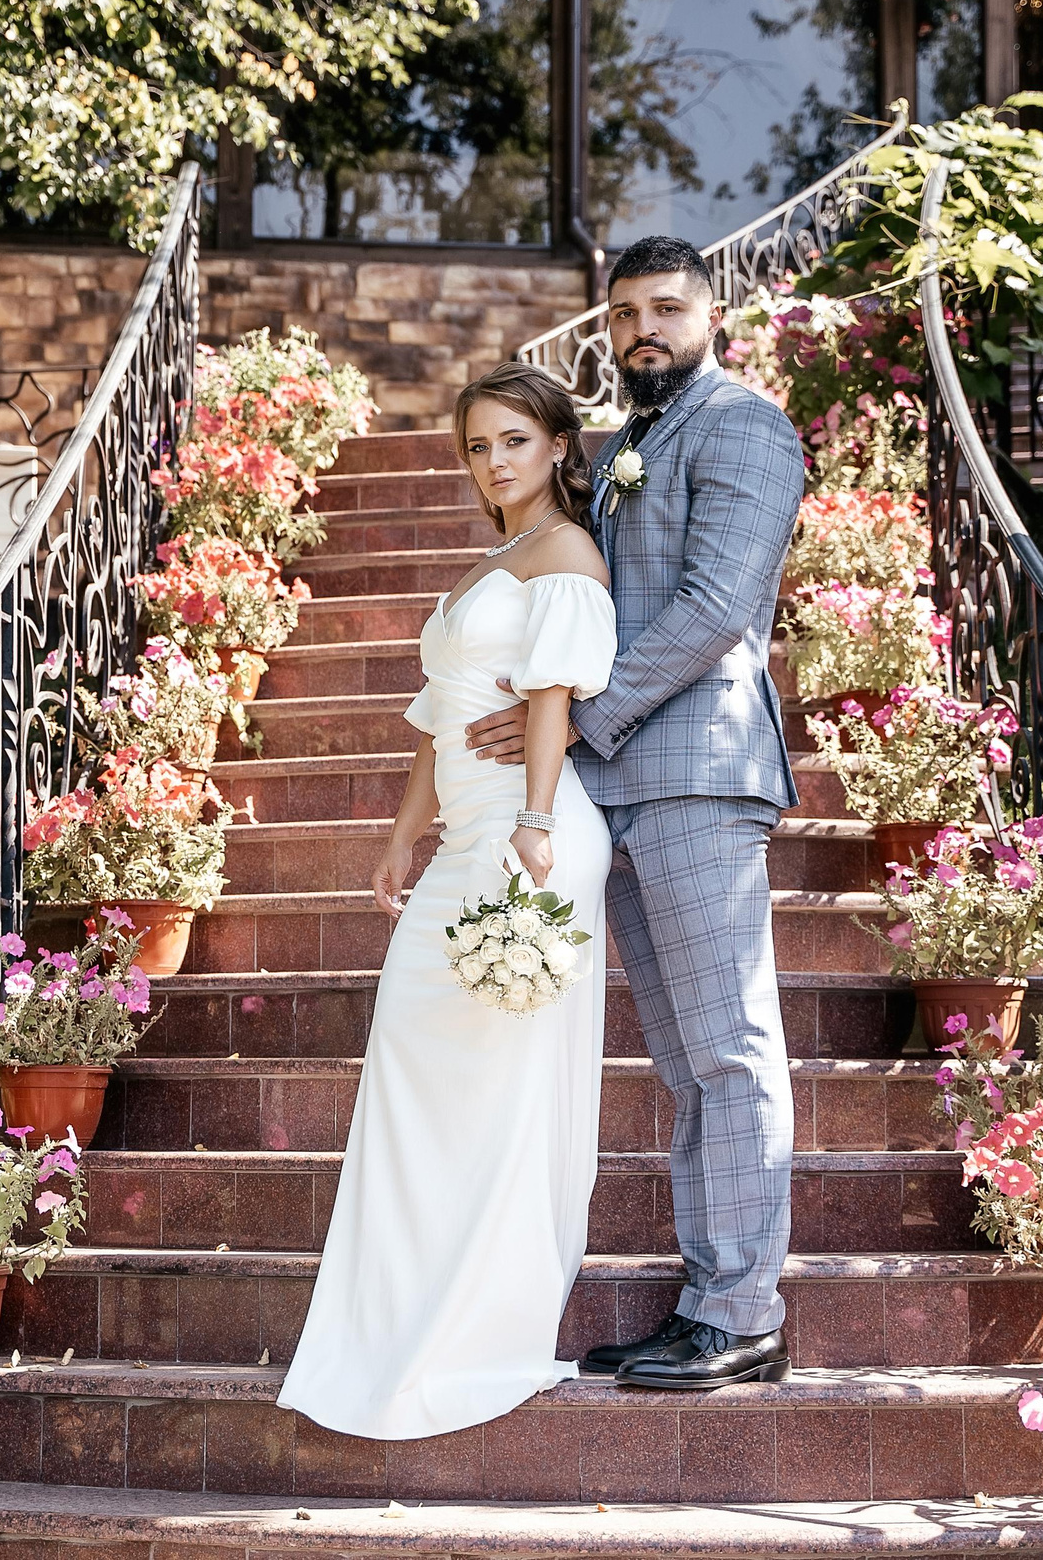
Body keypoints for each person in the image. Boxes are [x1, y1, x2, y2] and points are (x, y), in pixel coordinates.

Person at [464, 235, 804, 1391]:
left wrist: (580, 717)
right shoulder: (623, 445)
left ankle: (743, 1309)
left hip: (701, 773)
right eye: (622, 315)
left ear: (713, 314)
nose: (640, 330)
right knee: (681, 1060)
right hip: (617, 783)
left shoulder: (744, 425)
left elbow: (716, 607)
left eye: (664, 308)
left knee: (729, 1049)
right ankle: (705, 1302)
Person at [276, 361, 617, 1440]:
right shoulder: (495, 560)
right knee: (414, 1073)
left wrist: (534, 823)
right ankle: (395, 1315)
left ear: (558, 446)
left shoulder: (564, 553)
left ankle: (478, 1325)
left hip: (525, 838)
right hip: (462, 837)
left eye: (514, 440)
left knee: (499, 1088)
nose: (494, 461)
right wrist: (398, 837)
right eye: (477, 445)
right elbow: (438, 719)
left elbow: (549, 700)